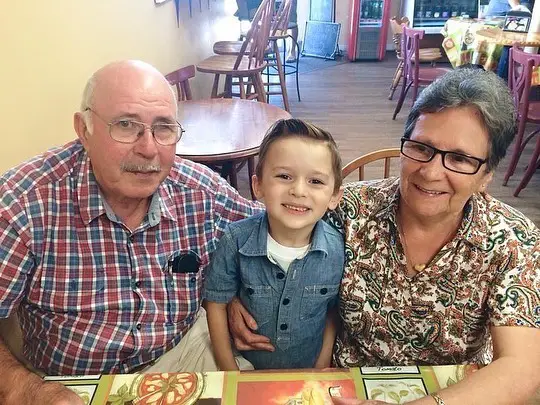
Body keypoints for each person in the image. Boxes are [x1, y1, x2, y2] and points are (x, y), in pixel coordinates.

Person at [228, 68, 540, 404]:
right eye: (422, 148)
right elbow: (259, 227)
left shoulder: (512, 240)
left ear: (486, 176)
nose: (432, 172)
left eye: (460, 159)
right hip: (341, 387)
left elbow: (522, 368)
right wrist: (234, 293)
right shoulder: (348, 209)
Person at [0, 60, 262, 405]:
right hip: (72, 383)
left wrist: (229, 292)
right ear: (84, 129)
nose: (149, 149)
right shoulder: (22, 205)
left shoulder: (202, 192)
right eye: (126, 125)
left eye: (164, 128)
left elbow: (273, 231)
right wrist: (24, 388)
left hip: (185, 355)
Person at [204, 119, 344, 370]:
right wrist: (230, 372)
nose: (298, 190)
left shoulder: (338, 249)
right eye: (284, 176)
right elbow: (216, 304)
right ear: (258, 186)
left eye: (316, 181)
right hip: (245, 365)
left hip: (307, 372)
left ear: (334, 196)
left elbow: (332, 311)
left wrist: (322, 364)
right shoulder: (235, 240)